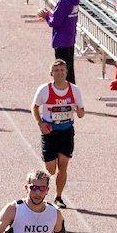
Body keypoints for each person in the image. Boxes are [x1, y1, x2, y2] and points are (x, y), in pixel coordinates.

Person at [32, 58, 84, 204]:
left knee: (63, 165)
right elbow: (34, 107)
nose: (59, 73)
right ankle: (43, 191)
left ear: (67, 72)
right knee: (51, 170)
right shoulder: (44, 89)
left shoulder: (74, 90)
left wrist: (80, 112)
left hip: (66, 131)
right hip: (49, 131)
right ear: (51, 73)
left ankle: (58, 197)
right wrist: (40, 123)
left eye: (62, 70)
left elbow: (81, 112)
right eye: (56, 70)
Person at [46, 0, 81, 82]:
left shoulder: (63, 1)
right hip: (70, 38)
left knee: (62, 70)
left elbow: (55, 22)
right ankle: (72, 91)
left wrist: (47, 17)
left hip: (61, 39)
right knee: (69, 69)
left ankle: (64, 92)